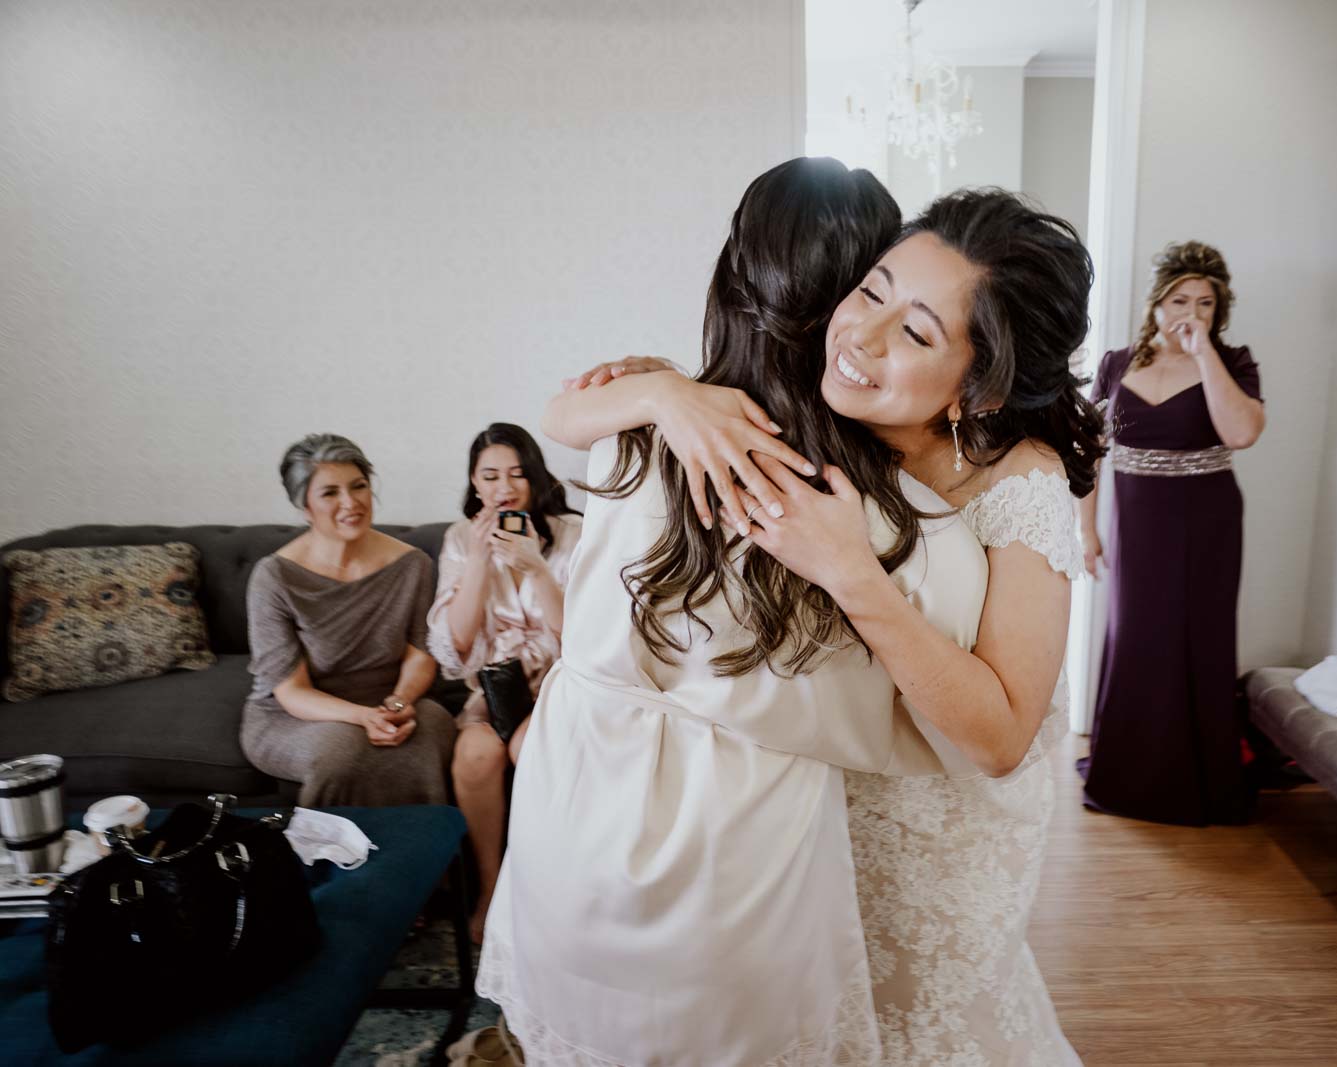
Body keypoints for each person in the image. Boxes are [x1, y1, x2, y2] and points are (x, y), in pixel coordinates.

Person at [476, 158, 996, 1067]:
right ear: (849, 300)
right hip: (738, 862)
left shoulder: (634, 435)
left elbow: (562, 415)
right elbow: (970, 724)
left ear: (729, 276)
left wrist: (658, 391)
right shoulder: (890, 517)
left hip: (576, 816)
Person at [564, 188, 1102, 1064]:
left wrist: (853, 572)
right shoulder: (814, 408)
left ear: (981, 383)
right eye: (871, 291)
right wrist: (661, 390)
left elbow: (1003, 737)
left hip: (943, 824)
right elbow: (573, 419)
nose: (861, 335)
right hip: (810, 798)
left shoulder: (1023, 484)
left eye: (918, 332)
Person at [1078, 240, 1266, 826]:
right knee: (1136, 635)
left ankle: (1196, 776)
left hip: (1206, 522)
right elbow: (1088, 454)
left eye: (1205, 304)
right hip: (1136, 523)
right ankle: (1128, 770)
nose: (1190, 311)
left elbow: (1241, 434)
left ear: (1219, 312)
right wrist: (1086, 530)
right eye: (1179, 299)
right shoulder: (1116, 364)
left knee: (1195, 639)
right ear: (1156, 303)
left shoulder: (1233, 363)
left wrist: (1204, 353)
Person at [426, 421, 581, 941]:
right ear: (474, 483)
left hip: (563, 686)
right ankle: (492, 889)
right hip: (493, 689)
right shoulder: (457, 539)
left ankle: (545, 891)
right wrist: (477, 561)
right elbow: (456, 646)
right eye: (490, 476)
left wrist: (537, 568)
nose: (504, 487)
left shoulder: (574, 533)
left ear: (535, 477)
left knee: (525, 745)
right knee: (474, 754)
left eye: (517, 473)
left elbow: (584, 640)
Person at [242, 434, 454, 806]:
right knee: (341, 751)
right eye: (330, 493)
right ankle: (326, 860)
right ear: (303, 505)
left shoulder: (413, 564)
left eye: (359, 486)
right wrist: (363, 717)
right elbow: (291, 691)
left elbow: (421, 652)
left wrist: (399, 703)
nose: (351, 502)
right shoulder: (274, 577)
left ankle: (428, 860)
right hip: (298, 714)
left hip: (387, 698)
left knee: (433, 726)